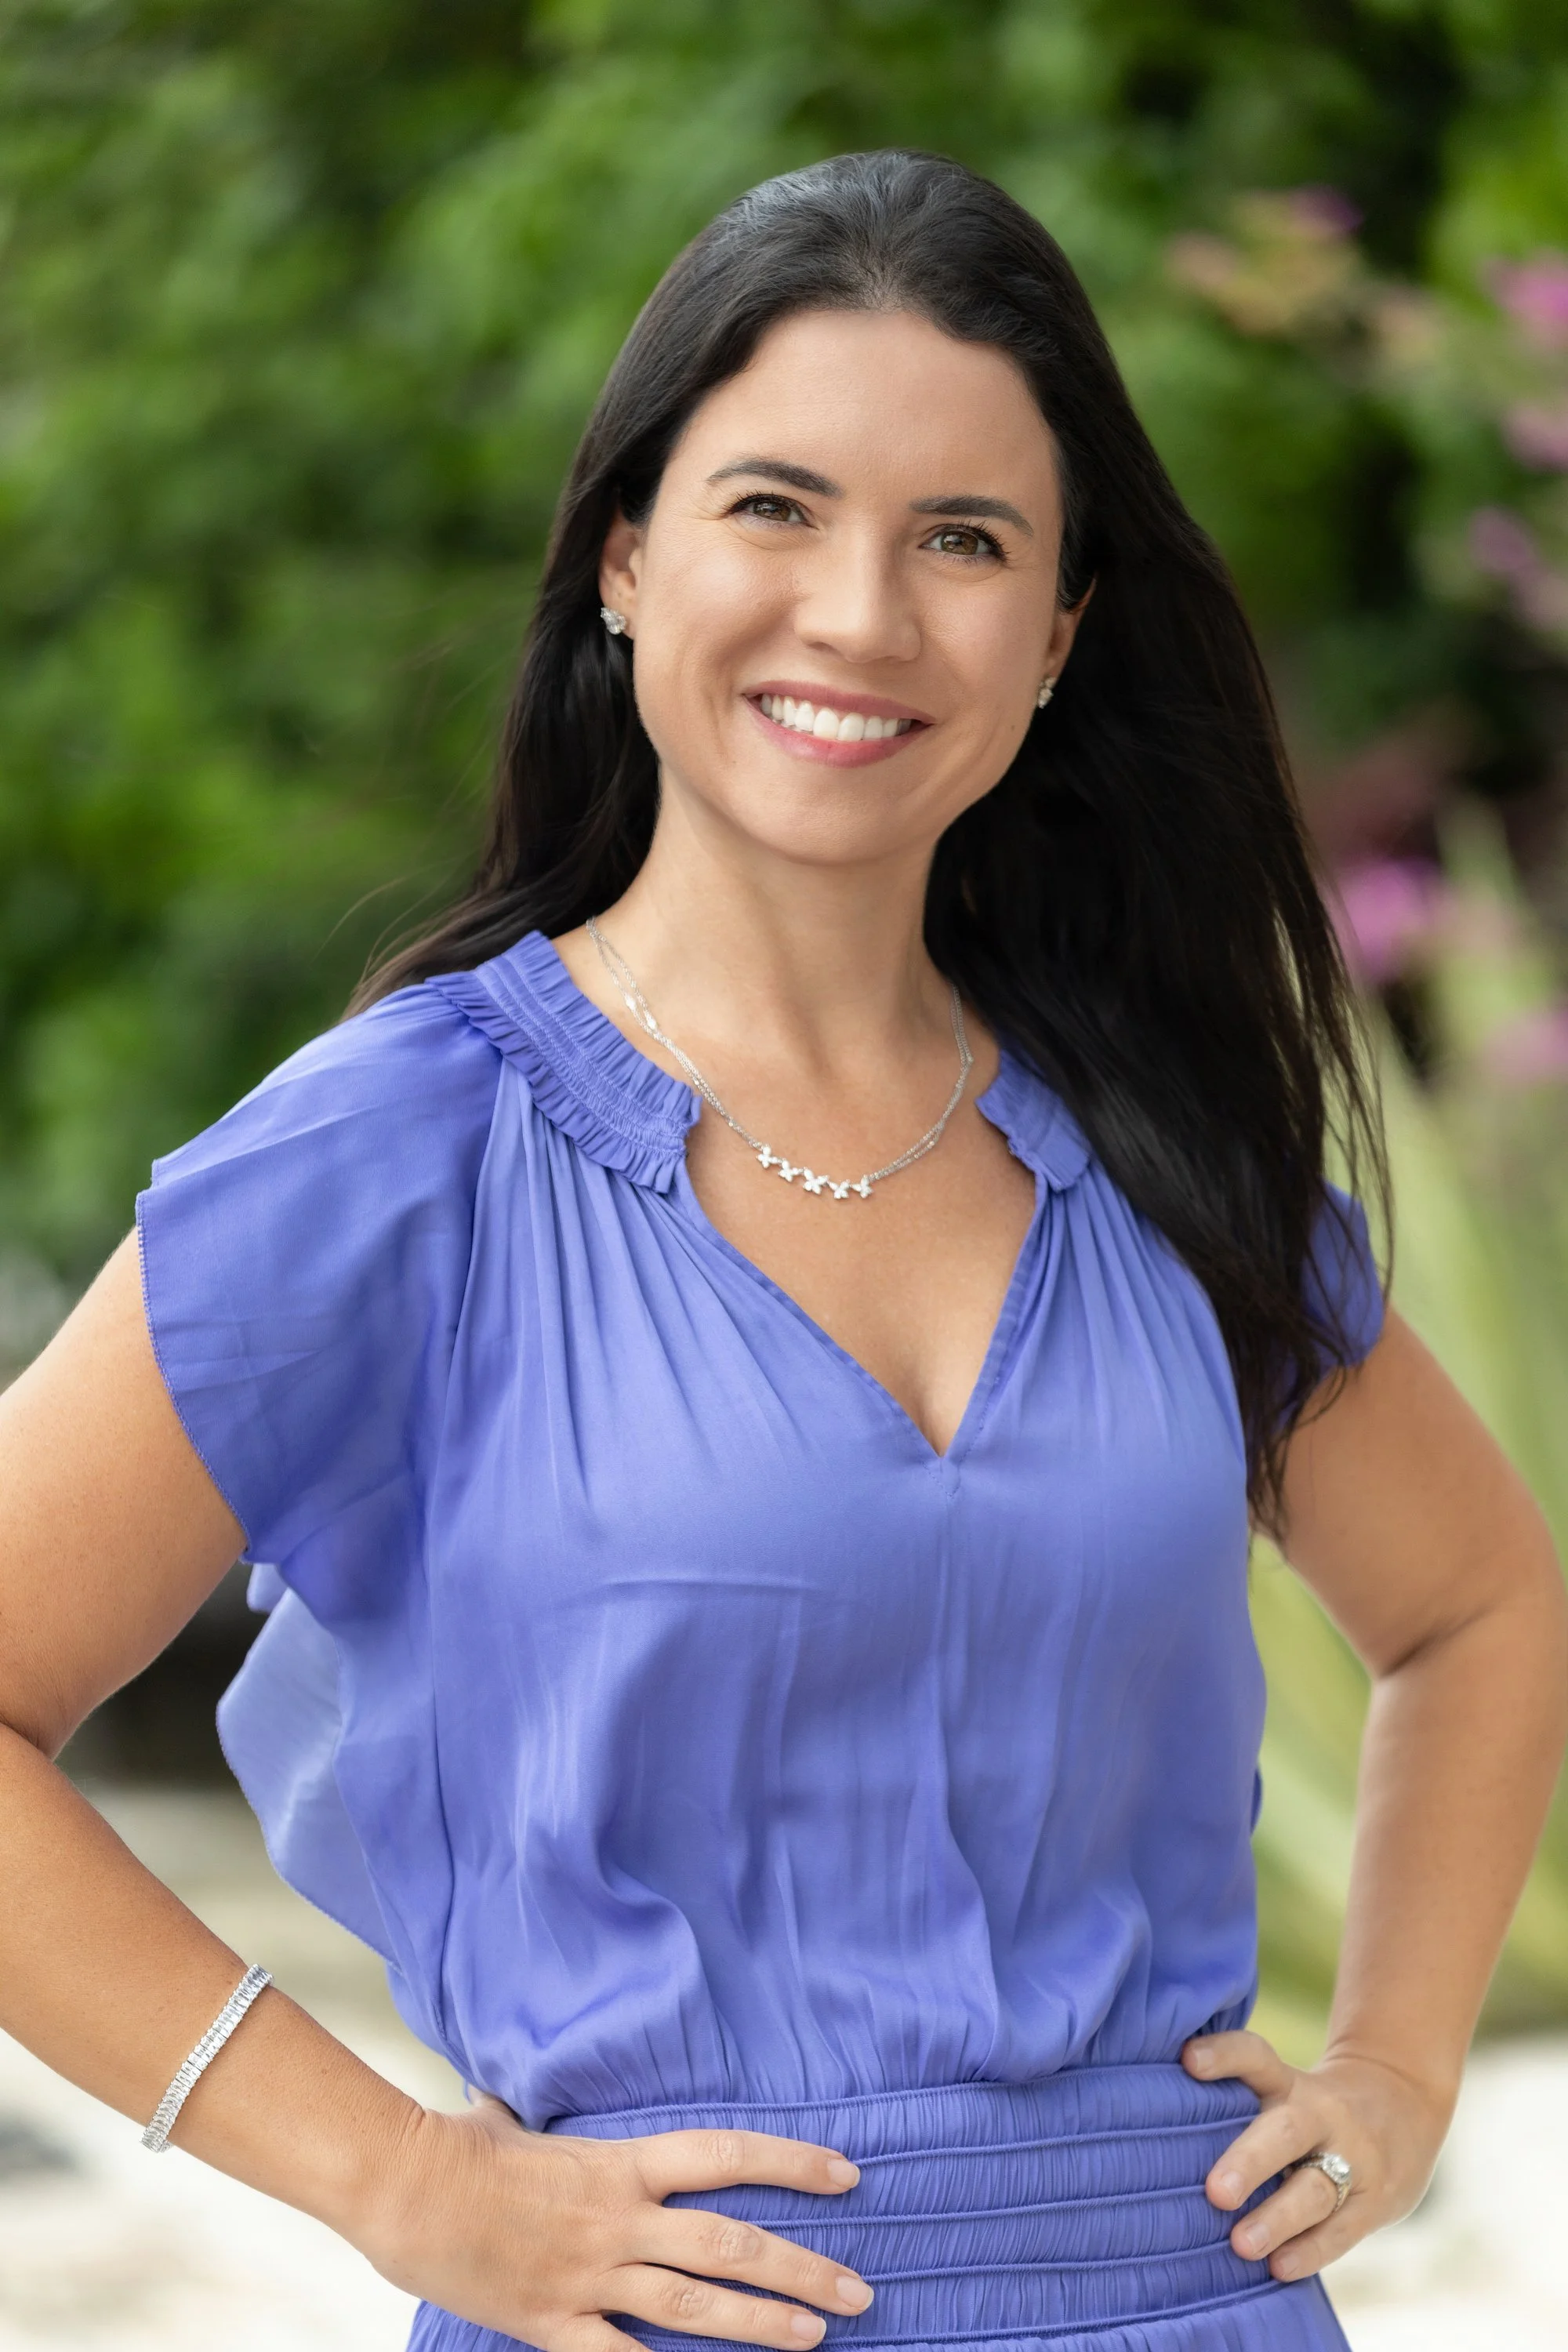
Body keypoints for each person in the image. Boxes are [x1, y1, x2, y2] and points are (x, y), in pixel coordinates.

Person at [0, 149, 1563, 2352]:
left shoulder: (1170, 1154)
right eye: (775, 508)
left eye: (965, 541)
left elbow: (1481, 1603)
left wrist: (1397, 2071)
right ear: (625, 558)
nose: (860, 614)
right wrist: (399, 2183)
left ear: (1060, 633)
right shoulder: (401, 1156)